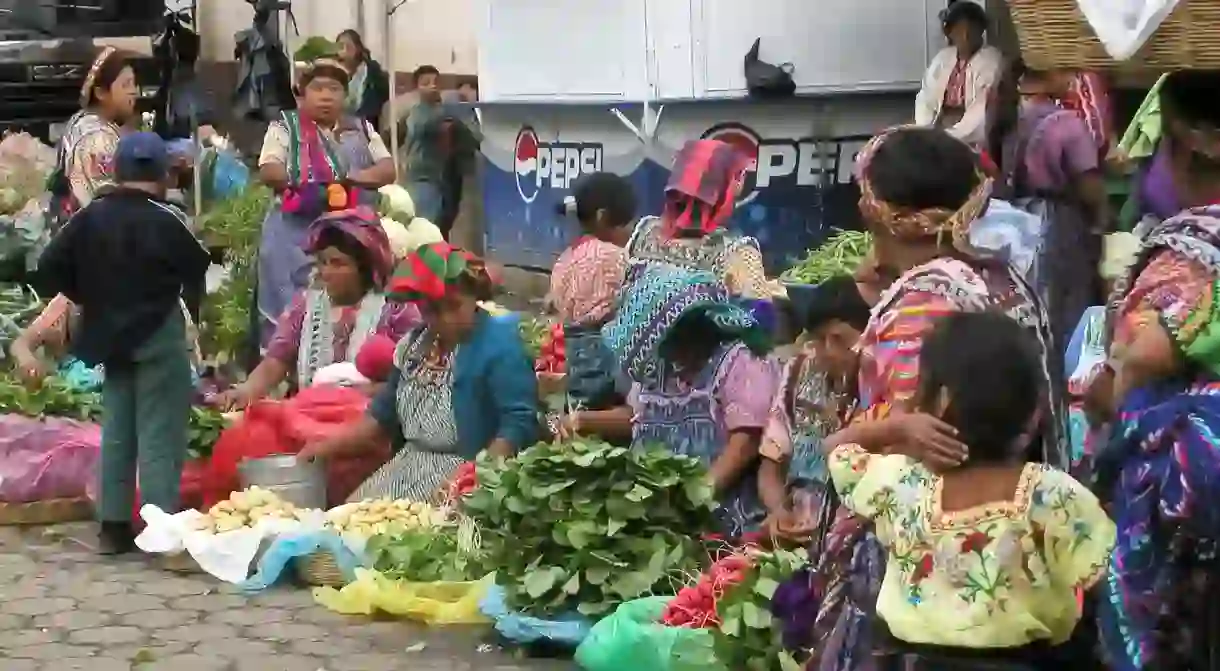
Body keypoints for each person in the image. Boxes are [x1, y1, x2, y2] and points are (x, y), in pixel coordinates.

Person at [808, 126, 1068, 671]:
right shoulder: (1005, 281)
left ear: (883, 213)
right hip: (1011, 557)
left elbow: (910, 439)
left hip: (928, 571)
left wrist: (861, 432)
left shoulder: (922, 300)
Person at [830, 311, 1115, 670]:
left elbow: (836, 449)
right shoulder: (1051, 495)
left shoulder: (901, 483)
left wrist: (898, 429)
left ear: (939, 401)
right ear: (1033, 415)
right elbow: (1113, 583)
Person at [1085, 69, 1220, 671]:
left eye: (1157, 146)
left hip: (1192, 535)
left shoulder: (1189, 256)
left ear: (1194, 144)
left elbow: (1139, 363)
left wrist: (1106, 392)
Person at [33, 132, 211, 555]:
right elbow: (197, 266)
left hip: (109, 335)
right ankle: (157, 529)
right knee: (159, 432)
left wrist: (87, 292)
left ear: (117, 172)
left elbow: (47, 267)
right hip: (158, 332)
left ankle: (112, 528)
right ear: (162, 174)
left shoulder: (91, 217)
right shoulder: (166, 218)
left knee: (117, 431)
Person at [298, 242, 538, 500]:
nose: (444, 318)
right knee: (352, 521)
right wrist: (325, 447)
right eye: (432, 311)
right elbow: (379, 419)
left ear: (473, 297)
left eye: (454, 306)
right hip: (407, 467)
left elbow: (518, 424)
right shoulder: (415, 347)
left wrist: (474, 481)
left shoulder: (500, 346)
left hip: (468, 473)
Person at [563, 265, 778, 537]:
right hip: (659, 511)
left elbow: (745, 442)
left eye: (676, 345)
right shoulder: (661, 362)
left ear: (696, 331)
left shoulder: (742, 361)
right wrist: (584, 421)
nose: (671, 355)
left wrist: (694, 500)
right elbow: (639, 416)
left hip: (720, 517)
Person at [217, 208, 420, 410]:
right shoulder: (305, 306)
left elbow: (412, 379)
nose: (326, 272)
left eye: (338, 264)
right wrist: (246, 391)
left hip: (373, 422)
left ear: (364, 268)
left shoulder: (396, 310)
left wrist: (349, 396)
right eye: (323, 262)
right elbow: (275, 361)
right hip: (310, 415)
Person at [256, 58, 397, 348]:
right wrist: (307, 184)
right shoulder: (285, 126)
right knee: (292, 316)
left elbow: (387, 169)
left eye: (334, 88)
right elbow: (269, 169)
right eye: (318, 88)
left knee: (350, 317)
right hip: (293, 241)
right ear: (302, 94)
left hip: (348, 241)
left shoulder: (361, 128)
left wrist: (349, 179)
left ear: (345, 96)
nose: (326, 95)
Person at [997, 65, 1109, 382]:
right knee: (1070, 306)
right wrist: (1102, 222)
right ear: (1046, 78)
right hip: (1062, 221)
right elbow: (1089, 184)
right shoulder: (1066, 124)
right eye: (1065, 72)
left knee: (1035, 305)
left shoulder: (1013, 124)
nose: (1071, 80)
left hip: (1022, 219)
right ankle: (1069, 384)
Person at [759, 275, 869, 539]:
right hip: (797, 526)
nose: (828, 350)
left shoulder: (879, 388)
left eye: (840, 339)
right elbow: (771, 466)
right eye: (819, 339)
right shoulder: (798, 371)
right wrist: (778, 512)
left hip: (849, 535)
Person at [625, 138, 774, 328]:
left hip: (638, 355)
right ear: (727, 186)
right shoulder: (737, 253)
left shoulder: (644, 233)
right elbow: (761, 325)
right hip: (703, 355)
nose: (742, 182)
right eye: (738, 175)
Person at [547, 172, 636, 409]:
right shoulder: (616, 257)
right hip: (605, 367)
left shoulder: (563, 260)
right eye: (626, 223)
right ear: (602, 217)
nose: (629, 231)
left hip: (569, 363)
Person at [914, 1, 1003, 148]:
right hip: (939, 127)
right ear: (950, 32)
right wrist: (926, 129)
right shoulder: (943, 59)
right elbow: (926, 97)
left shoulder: (991, 61)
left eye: (971, 29)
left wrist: (950, 136)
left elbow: (982, 111)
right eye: (959, 30)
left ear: (981, 30)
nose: (965, 36)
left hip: (972, 136)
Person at [400, 65, 480, 224]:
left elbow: (475, 137)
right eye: (426, 83)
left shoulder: (451, 111)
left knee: (445, 220)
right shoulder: (417, 113)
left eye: (436, 81)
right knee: (426, 225)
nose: (432, 86)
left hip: (449, 177)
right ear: (416, 88)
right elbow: (421, 126)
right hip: (423, 178)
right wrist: (452, 110)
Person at [335, 30, 390, 131]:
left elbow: (377, 102)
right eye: (341, 47)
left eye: (349, 47)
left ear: (358, 48)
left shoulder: (372, 71)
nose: (345, 51)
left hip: (366, 125)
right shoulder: (334, 71)